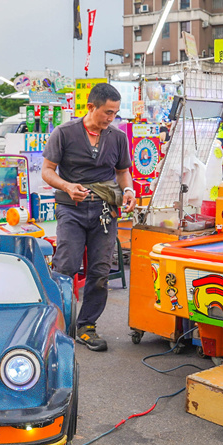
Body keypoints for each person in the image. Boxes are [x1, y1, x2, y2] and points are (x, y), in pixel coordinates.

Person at [43, 83, 135, 352]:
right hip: (70, 209)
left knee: (100, 271)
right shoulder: (64, 133)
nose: (111, 118)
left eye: (115, 113)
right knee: (65, 266)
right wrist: (67, 186)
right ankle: (57, 323)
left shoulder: (118, 137)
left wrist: (128, 190)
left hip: (104, 211)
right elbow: (47, 171)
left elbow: (122, 172)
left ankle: (86, 326)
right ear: (91, 107)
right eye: (107, 112)